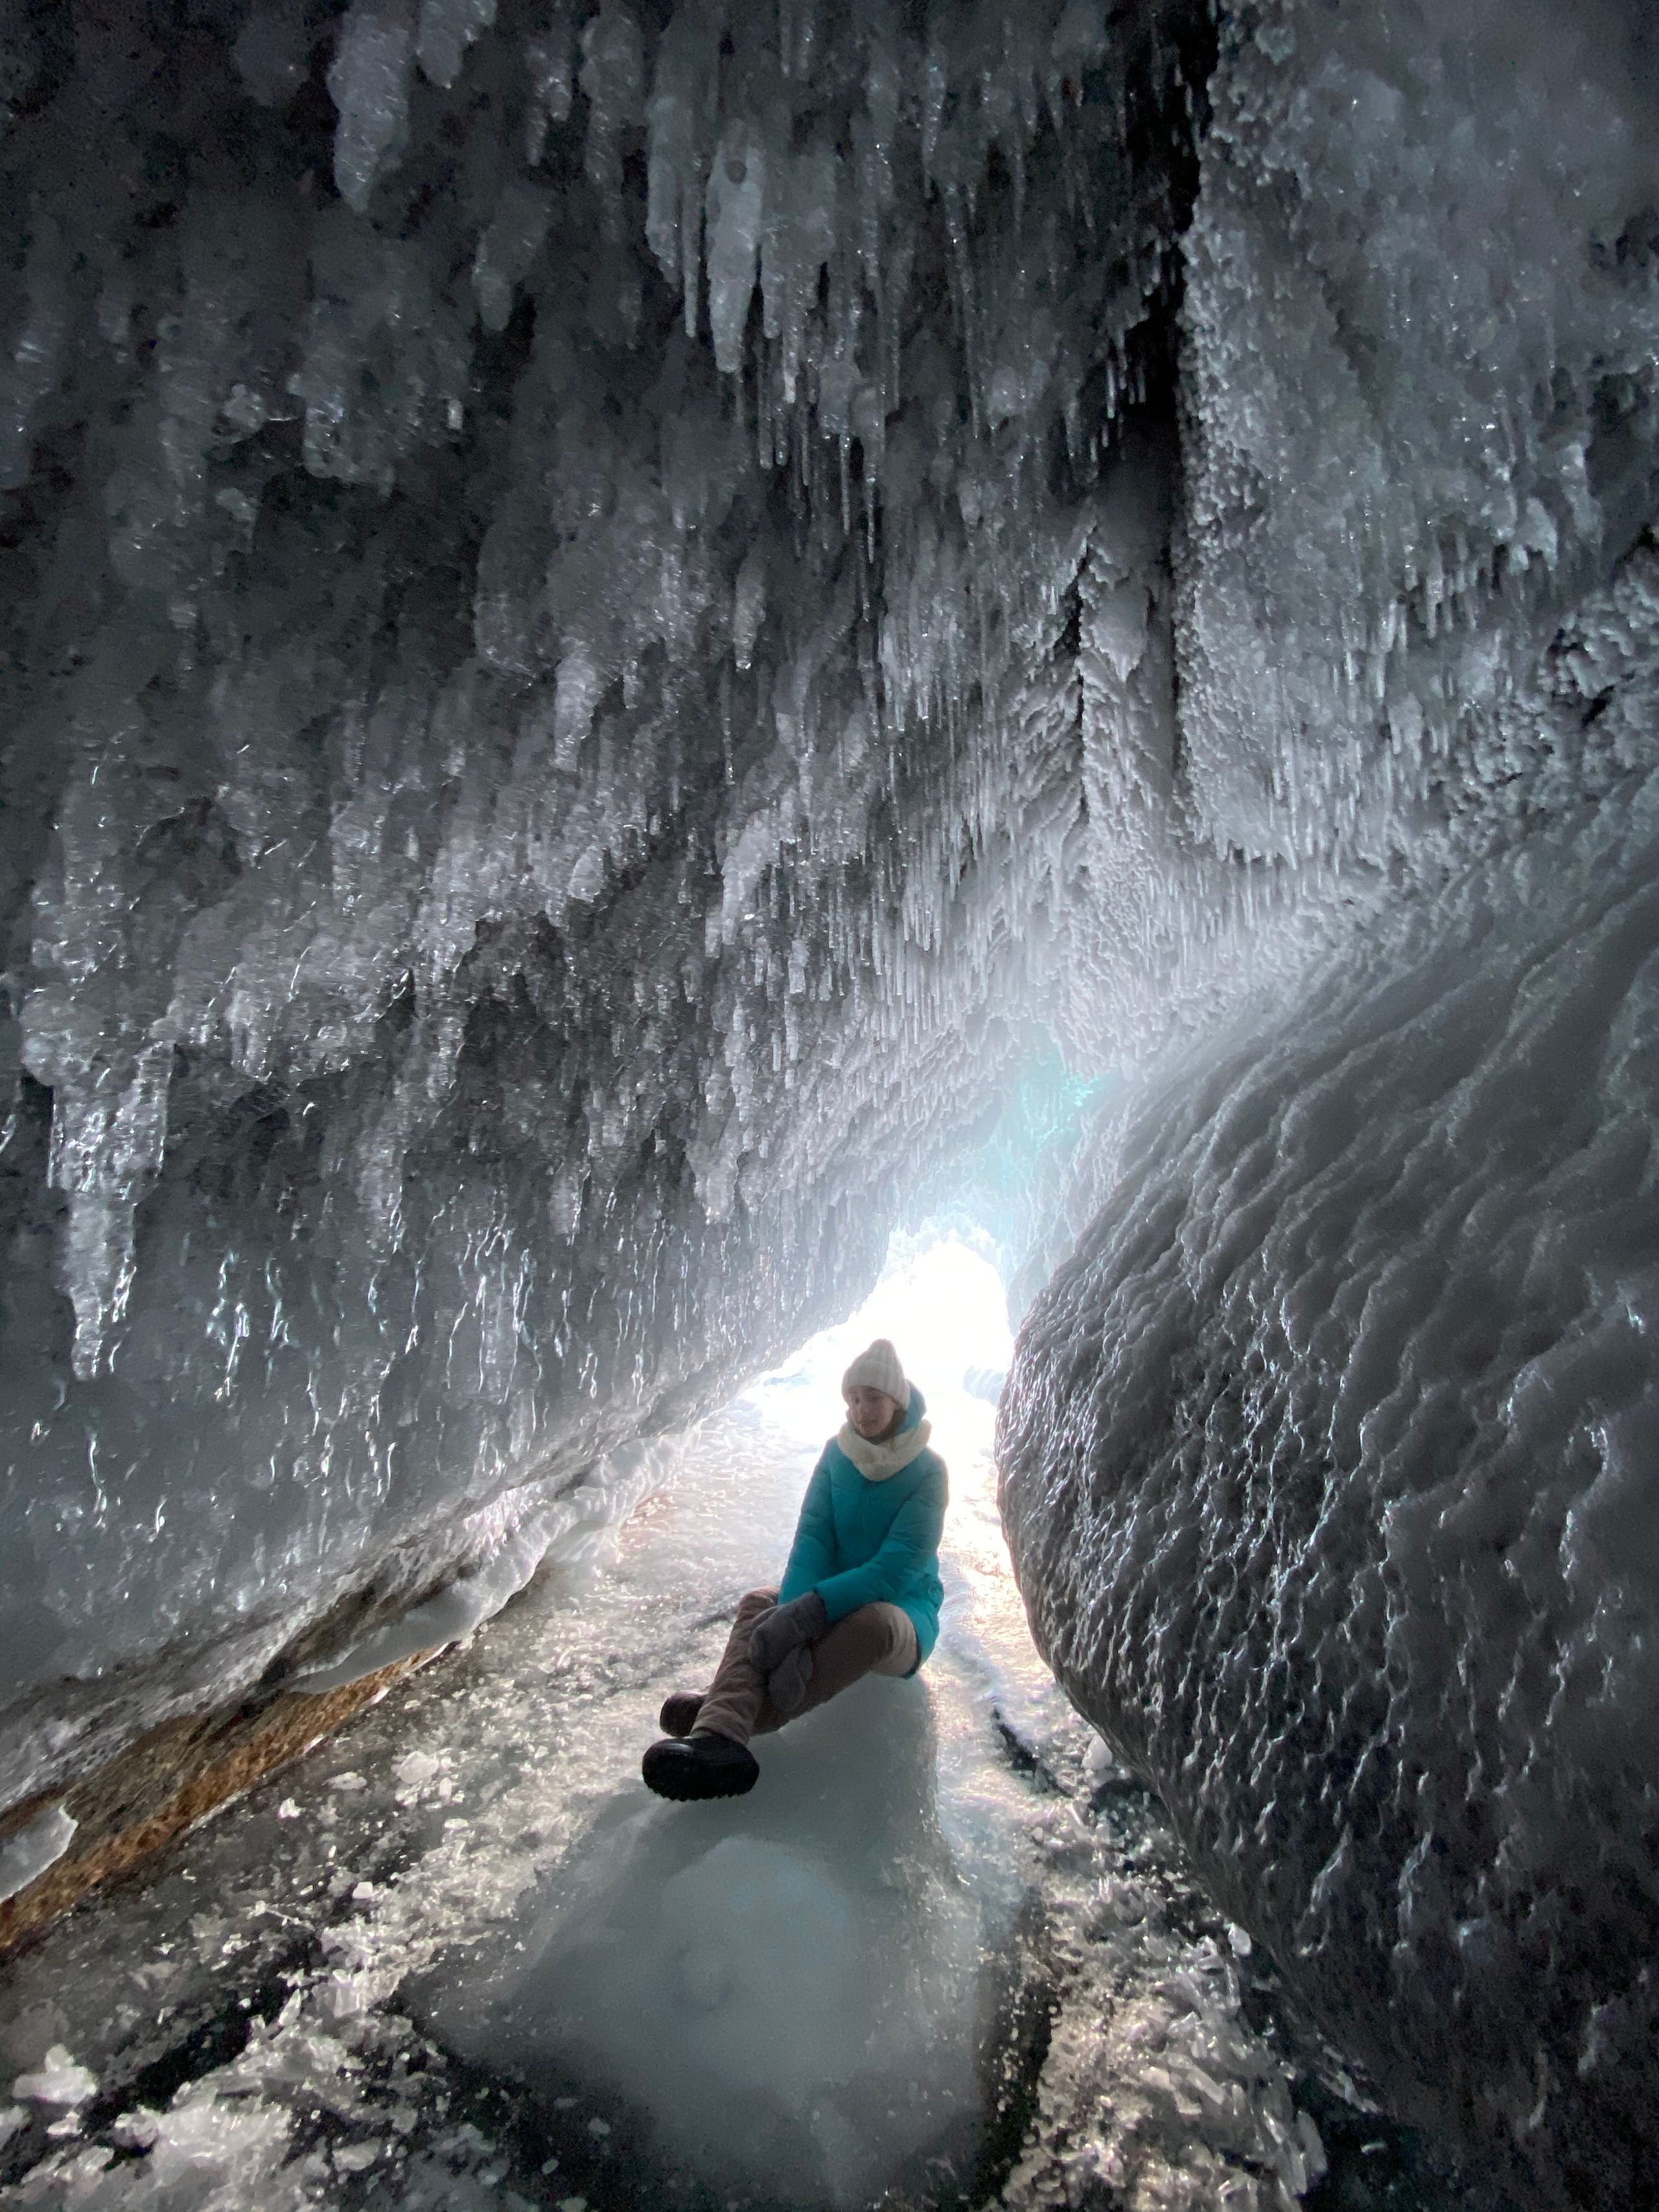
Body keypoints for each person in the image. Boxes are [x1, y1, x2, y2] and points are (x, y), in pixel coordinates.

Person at [641, 1338, 949, 1801]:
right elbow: (814, 1539)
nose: (863, 1410)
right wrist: (792, 1611)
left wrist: (809, 1615)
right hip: (829, 1592)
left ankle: (725, 1716)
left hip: (901, 1610)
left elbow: (895, 1568)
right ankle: (719, 1734)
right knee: (761, 1602)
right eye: (856, 1399)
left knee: (873, 1622)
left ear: (897, 1403)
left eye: (875, 1399)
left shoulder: (928, 1469)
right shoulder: (837, 1453)